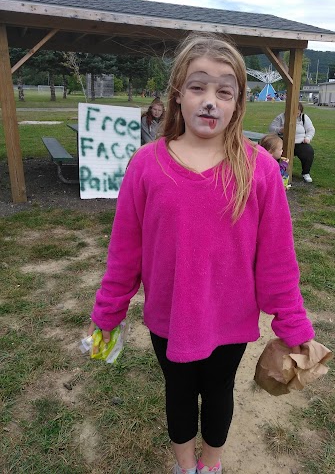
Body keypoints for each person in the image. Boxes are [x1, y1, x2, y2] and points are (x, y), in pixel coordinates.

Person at [88, 33, 315, 474]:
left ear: (237, 102)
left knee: (218, 393)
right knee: (177, 391)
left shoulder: (261, 169)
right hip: (168, 316)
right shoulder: (146, 165)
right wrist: (108, 313)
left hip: (230, 319)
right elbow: (124, 253)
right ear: (178, 95)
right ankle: (184, 464)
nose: (210, 100)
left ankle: (211, 465)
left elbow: (277, 260)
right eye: (198, 87)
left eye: (223, 90)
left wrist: (292, 322)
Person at [268, 103, 315, 183]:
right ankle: (274, 171)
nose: (296, 115)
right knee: (274, 151)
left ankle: (306, 173)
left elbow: (311, 129)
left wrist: (308, 138)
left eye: (298, 113)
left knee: (308, 152)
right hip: (283, 141)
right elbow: (271, 128)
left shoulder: (304, 117)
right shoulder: (281, 117)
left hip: (299, 142)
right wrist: (280, 130)